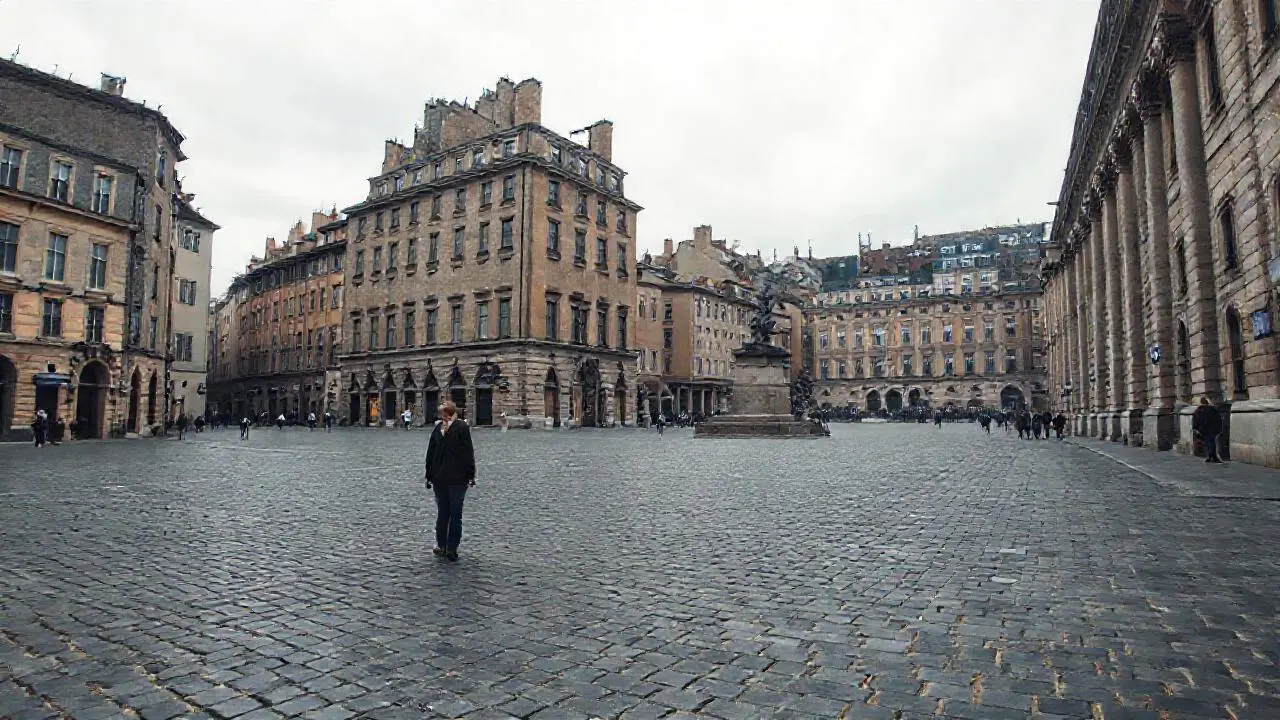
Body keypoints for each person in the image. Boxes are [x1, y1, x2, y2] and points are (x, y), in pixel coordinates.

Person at [424, 401, 476, 562]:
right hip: (458, 478)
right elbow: (468, 452)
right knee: (455, 514)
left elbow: (430, 454)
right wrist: (471, 475)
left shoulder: (437, 430)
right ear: (454, 412)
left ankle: (441, 545)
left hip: (439, 478)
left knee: (443, 513)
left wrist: (428, 475)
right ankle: (452, 548)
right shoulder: (462, 428)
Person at [1191, 397, 1223, 463]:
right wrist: (1219, 429)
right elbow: (1218, 419)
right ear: (1206, 402)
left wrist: (1195, 428)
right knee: (1212, 442)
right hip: (1212, 428)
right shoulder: (1213, 409)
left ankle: (1210, 456)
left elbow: (1195, 419)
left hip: (1203, 429)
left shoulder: (1198, 410)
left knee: (1207, 443)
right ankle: (1212, 456)